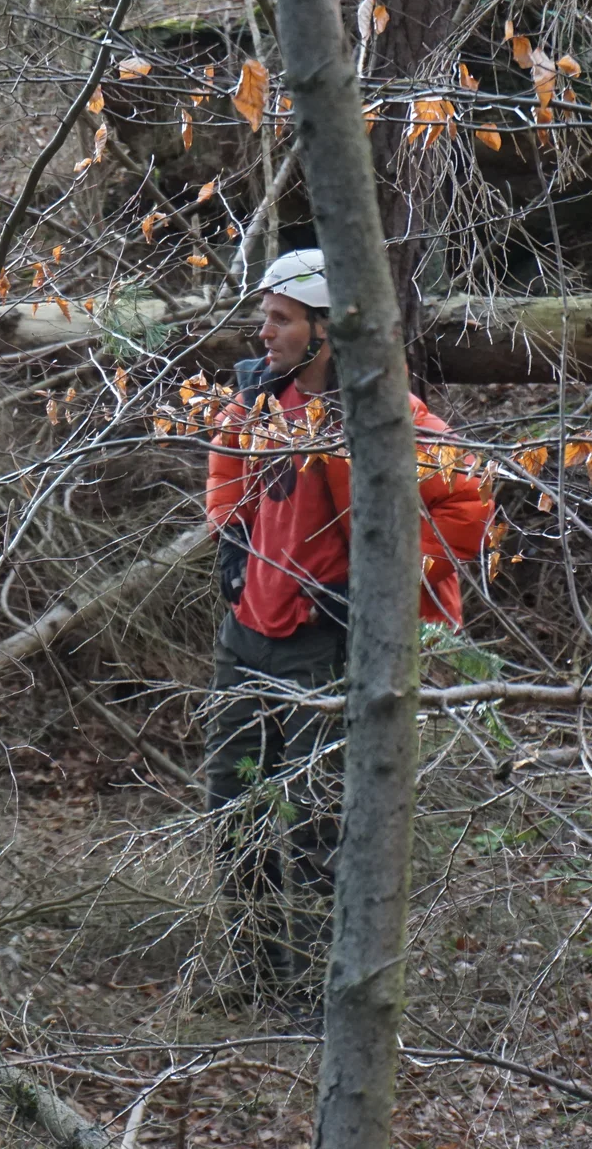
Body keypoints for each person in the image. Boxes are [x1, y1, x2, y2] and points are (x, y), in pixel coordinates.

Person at [202, 248, 492, 987]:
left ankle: (325, 989)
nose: (262, 332)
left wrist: (381, 585)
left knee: (318, 828)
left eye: (281, 319)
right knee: (235, 812)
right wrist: (231, 546)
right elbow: (226, 469)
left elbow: (469, 501)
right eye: (263, 317)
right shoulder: (256, 398)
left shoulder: (386, 418)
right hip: (247, 640)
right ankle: (253, 974)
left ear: (326, 330)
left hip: (324, 646)